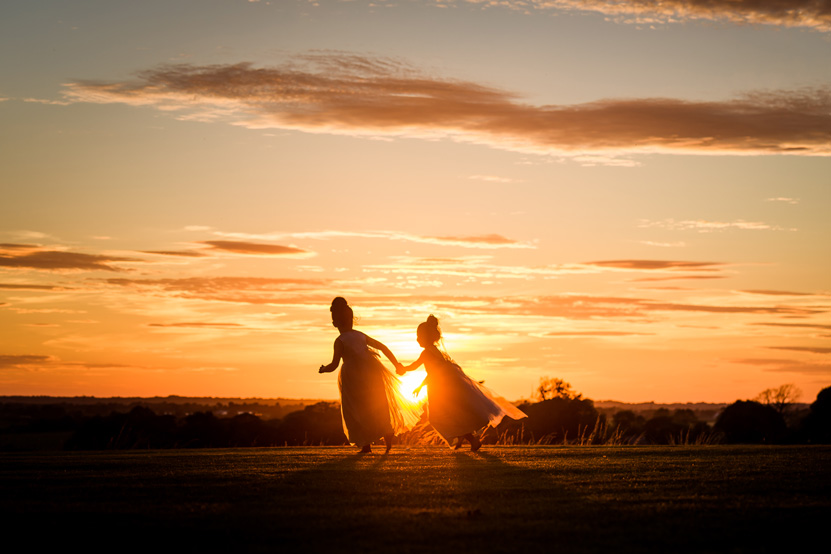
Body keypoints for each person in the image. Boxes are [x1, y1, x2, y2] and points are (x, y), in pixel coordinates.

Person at [397, 315, 527, 450]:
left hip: (439, 389)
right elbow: (434, 373)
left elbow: (420, 368)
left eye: (419, 336)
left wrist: (405, 371)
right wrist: (419, 384)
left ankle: (471, 440)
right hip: (444, 386)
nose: (417, 339)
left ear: (426, 337)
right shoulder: (436, 351)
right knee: (452, 414)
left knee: (439, 417)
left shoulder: (426, 353)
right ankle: (461, 439)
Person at [319, 297, 418, 453]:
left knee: (356, 410)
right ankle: (387, 433)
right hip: (371, 373)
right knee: (377, 404)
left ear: (335, 323)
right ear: (351, 319)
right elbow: (383, 347)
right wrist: (396, 364)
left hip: (352, 378)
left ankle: (366, 446)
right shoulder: (360, 335)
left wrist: (324, 369)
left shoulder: (340, 340)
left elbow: (334, 365)